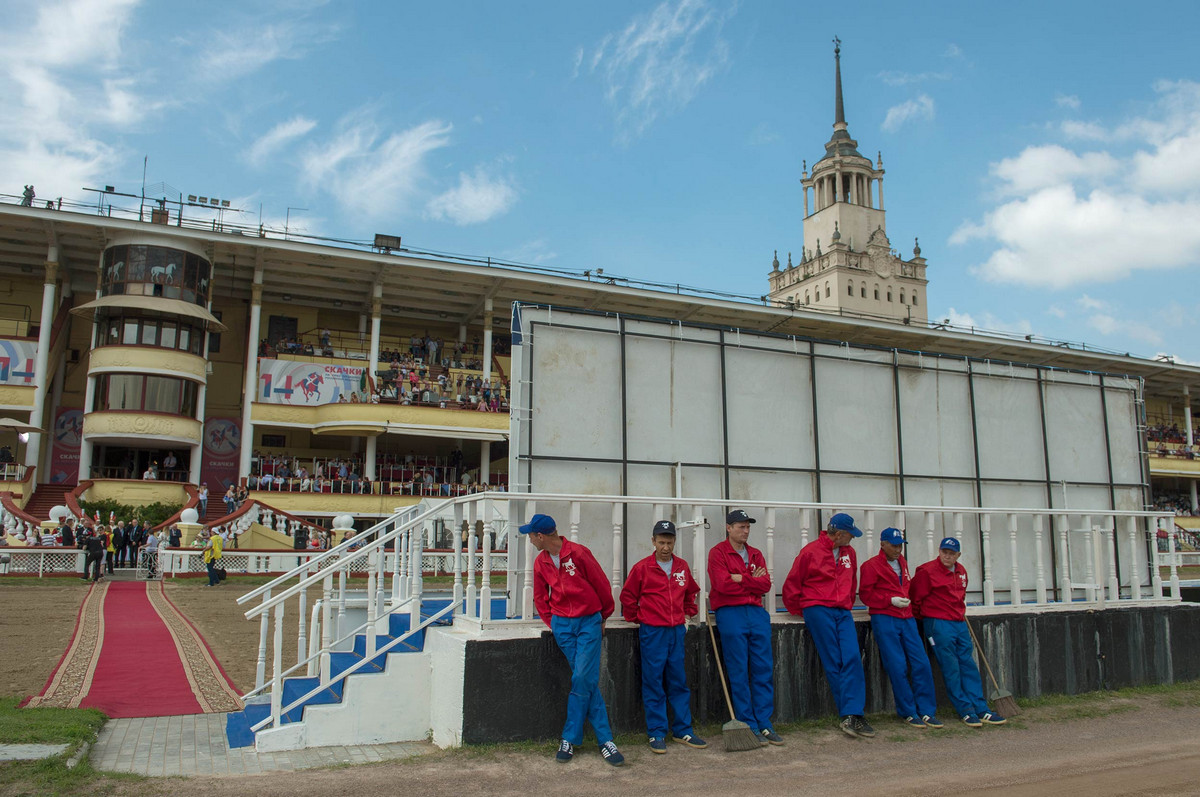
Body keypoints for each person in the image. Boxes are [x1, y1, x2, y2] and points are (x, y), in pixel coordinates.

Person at [524, 513, 624, 767]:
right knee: (586, 680)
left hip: (589, 622)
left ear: (540, 536)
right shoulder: (540, 562)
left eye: (531, 535)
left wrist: (603, 616)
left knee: (581, 678)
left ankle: (569, 738)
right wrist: (554, 623)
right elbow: (540, 597)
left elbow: (601, 584)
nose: (530, 540)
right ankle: (606, 742)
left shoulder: (578, 553)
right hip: (563, 626)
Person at [782, 512, 874, 738]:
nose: (853, 538)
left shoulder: (849, 553)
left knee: (852, 657)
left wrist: (846, 602)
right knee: (834, 659)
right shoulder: (810, 552)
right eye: (850, 534)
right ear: (840, 534)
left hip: (842, 610)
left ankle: (852, 713)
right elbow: (793, 583)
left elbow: (852, 581)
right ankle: (851, 714)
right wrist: (804, 609)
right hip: (818, 608)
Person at [619, 520, 707, 753]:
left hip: (676, 631)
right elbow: (627, 596)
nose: (665, 547)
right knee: (653, 681)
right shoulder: (642, 568)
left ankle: (683, 730)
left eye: (669, 542)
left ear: (674, 541)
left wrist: (688, 613)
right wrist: (639, 617)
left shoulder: (682, 566)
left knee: (678, 680)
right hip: (653, 632)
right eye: (661, 542)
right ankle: (656, 732)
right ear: (653, 541)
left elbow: (691, 592)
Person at [910, 537, 1007, 728]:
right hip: (938, 623)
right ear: (939, 551)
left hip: (959, 623)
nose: (947, 556)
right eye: (944, 552)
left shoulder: (961, 571)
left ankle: (981, 708)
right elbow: (915, 598)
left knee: (968, 664)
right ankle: (965, 710)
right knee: (951, 667)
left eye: (952, 553)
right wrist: (928, 618)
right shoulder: (927, 571)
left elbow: (960, 596)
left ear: (958, 555)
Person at [708, 509, 782, 746]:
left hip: (756, 613)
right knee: (738, 669)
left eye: (748, 527)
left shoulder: (756, 553)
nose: (746, 530)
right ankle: (748, 723)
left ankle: (764, 722)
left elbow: (766, 585)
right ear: (729, 528)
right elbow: (722, 585)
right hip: (731, 612)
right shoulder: (718, 552)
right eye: (741, 526)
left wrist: (740, 578)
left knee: (763, 668)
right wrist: (751, 581)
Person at [858, 528, 943, 729]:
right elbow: (866, 595)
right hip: (885, 618)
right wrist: (890, 600)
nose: (898, 550)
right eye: (894, 545)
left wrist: (906, 602)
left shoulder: (902, 562)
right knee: (897, 665)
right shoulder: (870, 566)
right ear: (883, 544)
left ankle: (927, 710)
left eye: (900, 546)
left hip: (907, 617)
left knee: (921, 662)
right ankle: (908, 711)